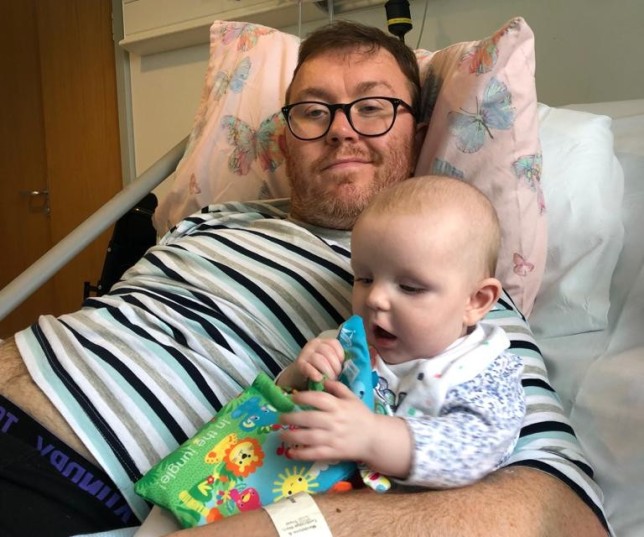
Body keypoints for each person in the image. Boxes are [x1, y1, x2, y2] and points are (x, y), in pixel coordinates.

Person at [0, 19, 609, 537]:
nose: (341, 127)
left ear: (418, 134)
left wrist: (278, 526)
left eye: (373, 107)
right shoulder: (211, 220)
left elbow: (560, 511)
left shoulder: (447, 294)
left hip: (64, 474)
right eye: (313, 111)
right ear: (286, 140)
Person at [277, 176, 526, 490]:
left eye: (410, 287)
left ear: (475, 301)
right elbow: (286, 403)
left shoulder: (481, 371)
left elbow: (477, 449)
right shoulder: (350, 344)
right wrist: (300, 374)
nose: (374, 299)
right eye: (364, 279)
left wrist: (372, 438)